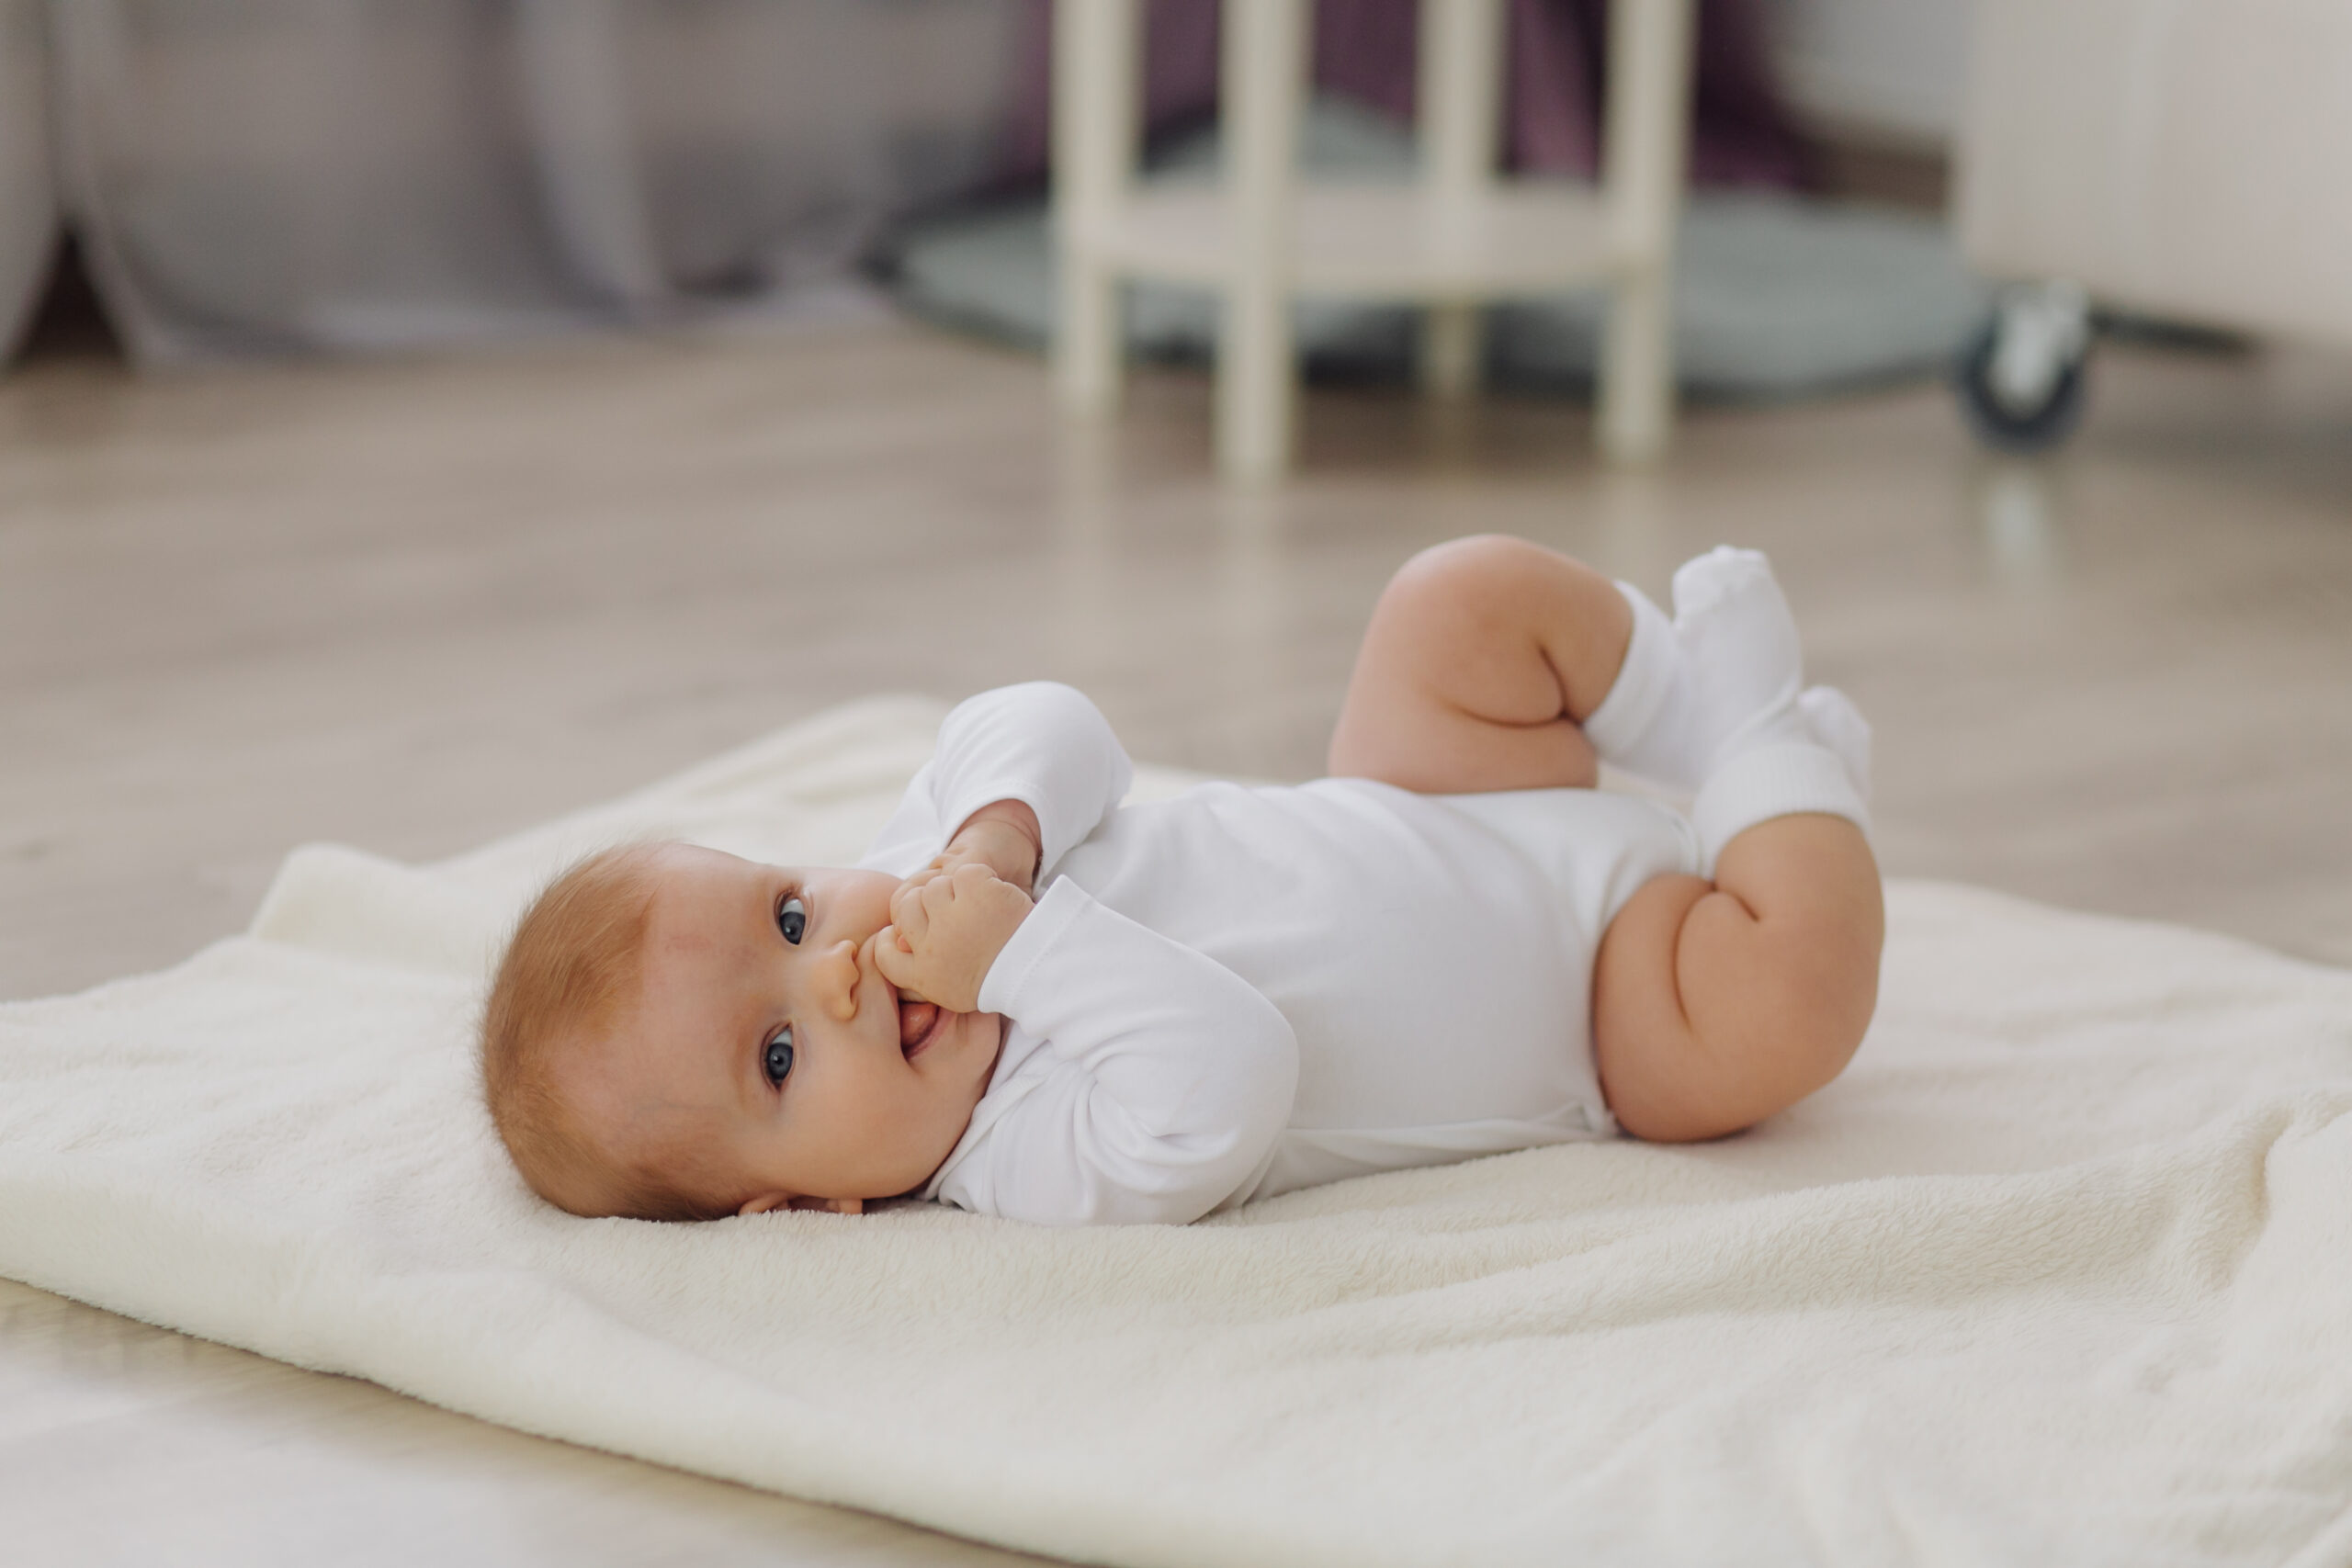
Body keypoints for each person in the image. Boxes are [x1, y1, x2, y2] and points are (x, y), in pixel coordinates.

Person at [481, 537, 1883, 1225]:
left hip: (1425, 794)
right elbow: (1232, 1074)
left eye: (786, 916)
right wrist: (1019, 955)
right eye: (779, 1055)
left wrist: (994, 844)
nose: (835, 967)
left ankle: (1677, 713)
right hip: (1601, 997)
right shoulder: (1022, 1162)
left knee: (1451, 603)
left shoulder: (939, 858)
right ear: (795, 1209)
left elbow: (1065, 727)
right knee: (1780, 1015)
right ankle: (1770, 764)